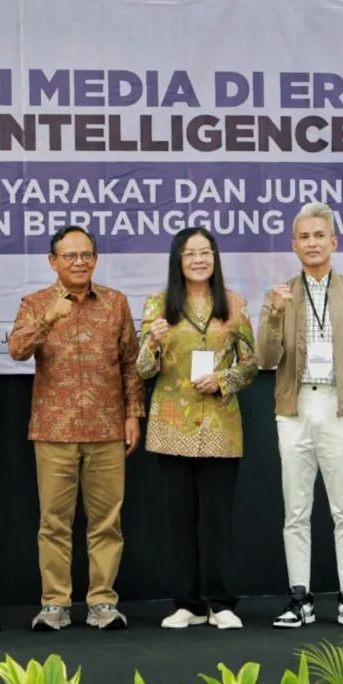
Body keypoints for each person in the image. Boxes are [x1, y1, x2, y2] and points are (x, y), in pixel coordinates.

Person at [255, 201, 343, 630]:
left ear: (334, 242)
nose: (312, 243)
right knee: (296, 510)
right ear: (293, 245)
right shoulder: (279, 296)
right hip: (294, 410)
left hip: (340, 408)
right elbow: (264, 359)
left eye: (319, 236)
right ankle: (300, 597)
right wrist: (275, 314)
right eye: (304, 237)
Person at [8, 226, 145, 632]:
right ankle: (55, 603)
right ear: (53, 262)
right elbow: (17, 350)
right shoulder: (36, 303)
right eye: (70, 256)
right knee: (54, 523)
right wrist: (48, 319)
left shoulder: (116, 303)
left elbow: (130, 362)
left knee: (107, 522)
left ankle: (103, 602)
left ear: (96, 259)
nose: (79, 262)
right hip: (54, 430)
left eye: (86, 255)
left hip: (107, 428)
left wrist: (133, 414)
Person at [136, 227, 258, 630]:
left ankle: (220, 603)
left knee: (218, 521)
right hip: (173, 424)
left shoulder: (235, 304)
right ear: (178, 260)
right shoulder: (158, 304)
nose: (199, 260)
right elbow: (143, 369)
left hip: (221, 424)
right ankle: (186, 603)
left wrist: (223, 380)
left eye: (205, 252)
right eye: (190, 254)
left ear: (215, 258)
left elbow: (251, 365)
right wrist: (152, 343)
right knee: (180, 520)